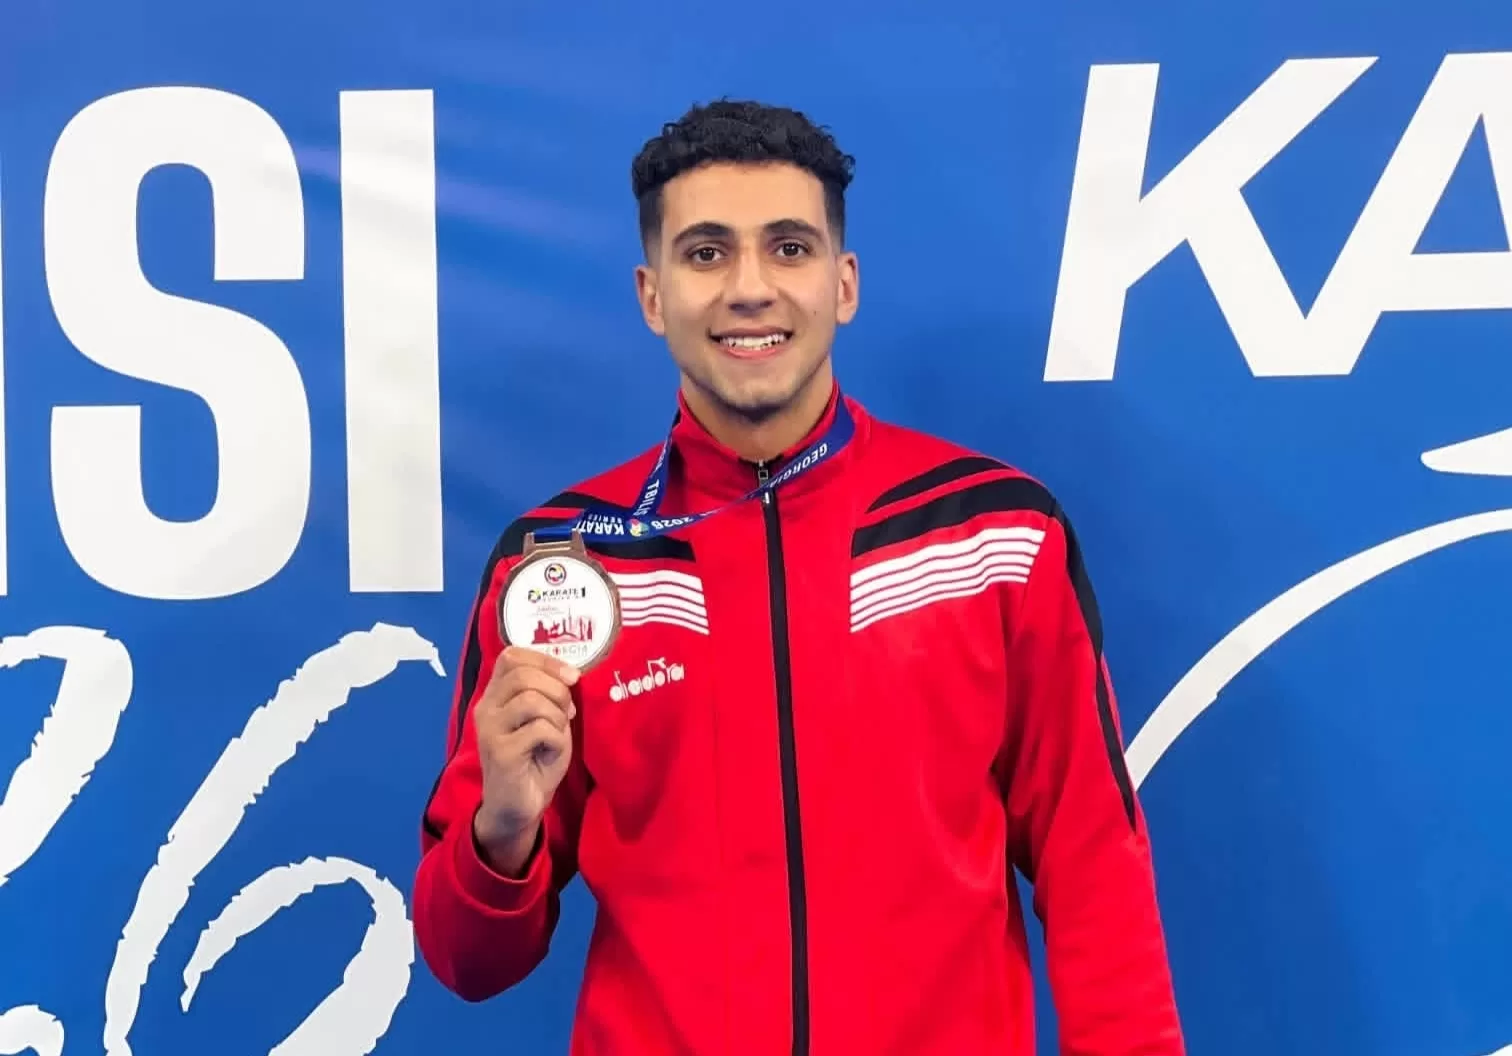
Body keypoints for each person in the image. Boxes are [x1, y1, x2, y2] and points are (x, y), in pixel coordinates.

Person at [412, 99, 1186, 1055]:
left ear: (842, 283)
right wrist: (501, 830)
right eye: (706, 253)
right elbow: (467, 963)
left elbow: (1095, 866)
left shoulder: (993, 536)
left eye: (788, 248)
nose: (750, 289)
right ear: (652, 296)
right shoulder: (565, 564)